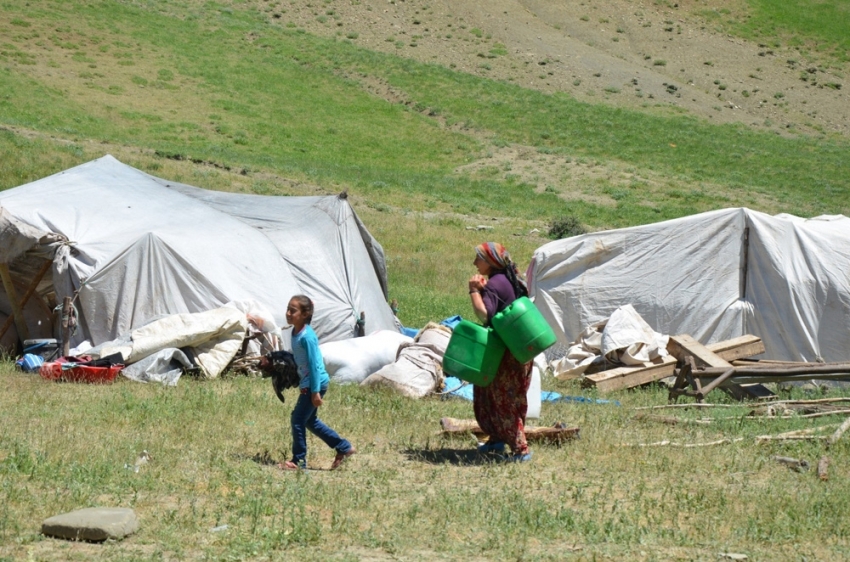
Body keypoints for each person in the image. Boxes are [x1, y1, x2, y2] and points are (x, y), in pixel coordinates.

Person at [467, 242, 534, 463]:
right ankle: (496, 438)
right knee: (492, 395)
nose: (475, 263)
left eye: (478, 258)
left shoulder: (496, 284)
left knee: (503, 399)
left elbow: (485, 315)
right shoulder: (507, 279)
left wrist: (474, 290)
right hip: (516, 349)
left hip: (507, 353)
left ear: (490, 261)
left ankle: (520, 449)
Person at [278, 295, 356, 470]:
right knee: (308, 420)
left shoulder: (307, 337)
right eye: (288, 309)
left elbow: (314, 365)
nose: (288, 313)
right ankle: (344, 447)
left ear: (305, 314)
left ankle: (299, 461)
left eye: (293, 310)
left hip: (315, 384)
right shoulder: (295, 332)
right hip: (310, 383)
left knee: (297, 419)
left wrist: (314, 392)